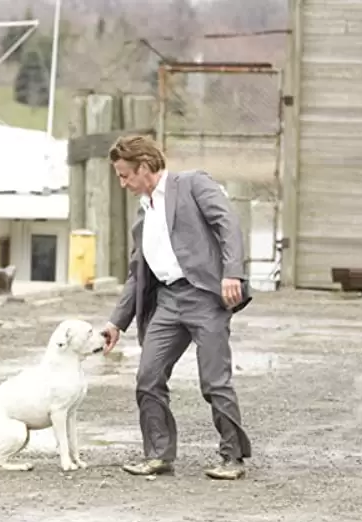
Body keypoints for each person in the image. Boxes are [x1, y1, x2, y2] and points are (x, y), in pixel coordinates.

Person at [101, 135, 253, 480]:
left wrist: (232, 273)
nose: (122, 184)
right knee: (148, 377)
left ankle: (232, 458)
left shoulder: (192, 184)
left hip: (205, 296)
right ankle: (158, 456)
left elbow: (228, 223)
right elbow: (137, 274)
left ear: (144, 167)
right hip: (168, 302)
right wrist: (116, 323)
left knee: (214, 381)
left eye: (125, 175)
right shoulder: (143, 215)